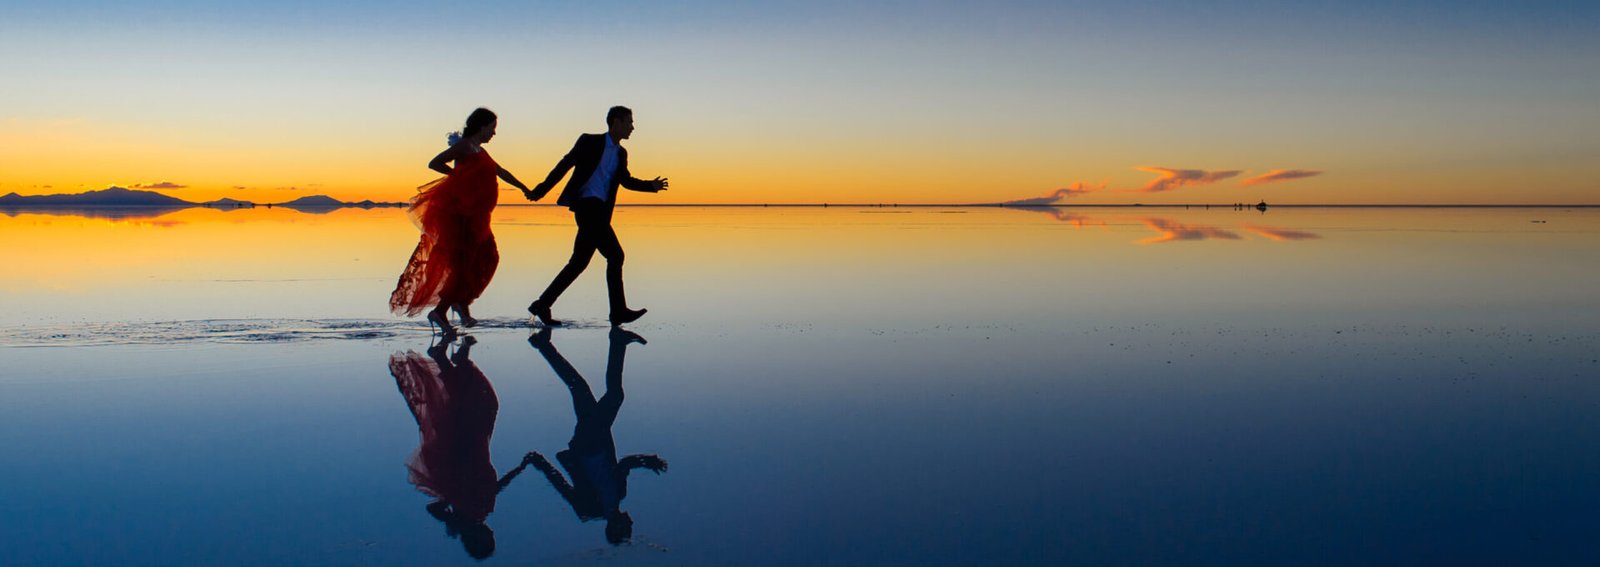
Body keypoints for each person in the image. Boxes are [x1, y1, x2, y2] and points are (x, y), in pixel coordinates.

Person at [390, 107, 534, 337]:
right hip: (462, 218)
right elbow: (435, 163)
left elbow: (501, 171)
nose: (494, 133)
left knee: (486, 258)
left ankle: (461, 305)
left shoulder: (481, 151)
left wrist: (524, 188)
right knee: (463, 265)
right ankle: (441, 311)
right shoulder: (466, 146)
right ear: (482, 126)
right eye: (492, 128)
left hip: (478, 217)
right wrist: (458, 178)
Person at [390, 336, 535, 560]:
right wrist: (520, 468)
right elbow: (494, 487)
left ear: (479, 538)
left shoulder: (470, 511)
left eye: (489, 538)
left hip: (468, 447)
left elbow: (476, 490)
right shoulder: (472, 513)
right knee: (471, 402)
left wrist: (451, 505)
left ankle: (457, 360)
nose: (492, 533)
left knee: (482, 403)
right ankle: (452, 360)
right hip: (471, 446)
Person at [523, 106, 668, 327]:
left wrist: (651, 186)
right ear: (616, 122)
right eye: (629, 122)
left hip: (600, 211)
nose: (632, 127)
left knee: (579, 262)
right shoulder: (588, 141)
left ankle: (542, 304)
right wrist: (540, 191)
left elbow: (625, 180)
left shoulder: (621, 153)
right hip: (585, 206)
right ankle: (618, 312)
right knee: (616, 256)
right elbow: (564, 165)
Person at [523, 327, 668, 545]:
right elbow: (625, 464)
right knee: (580, 387)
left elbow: (562, 486)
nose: (631, 523)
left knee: (613, 395)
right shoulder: (619, 494)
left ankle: (617, 342)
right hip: (597, 439)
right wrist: (646, 461)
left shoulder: (587, 509)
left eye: (627, 527)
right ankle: (543, 344)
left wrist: (540, 462)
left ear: (615, 527)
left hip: (587, 443)